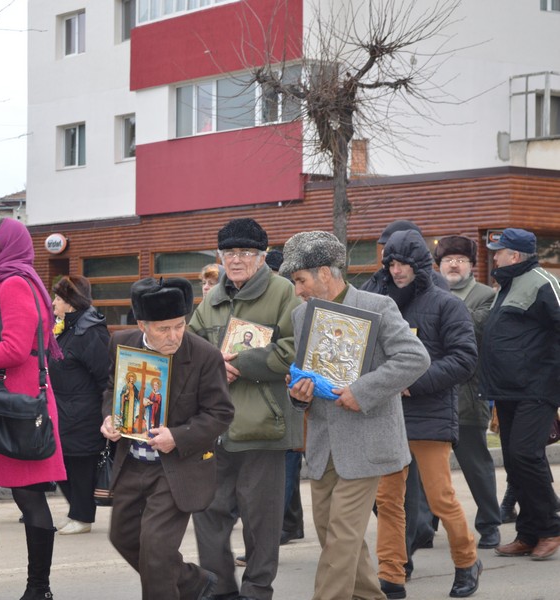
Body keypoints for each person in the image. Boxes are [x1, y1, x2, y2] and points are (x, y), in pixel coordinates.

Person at [280, 231, 430, 600]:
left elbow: (415, 358)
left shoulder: (378, 306)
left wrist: (361, 392)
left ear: (324, 273)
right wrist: (298, 393)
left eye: (300, 280)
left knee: (341, 539)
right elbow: (308, 374)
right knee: (334, 536)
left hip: (368, 443)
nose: (297, 290)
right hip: (322, 447)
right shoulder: (302, 316)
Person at [189, 218, 302, 600]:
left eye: (245, 253)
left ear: (262, 257)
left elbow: (293, 350)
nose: (236, 261)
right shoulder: (211, 299)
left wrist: (241, 363)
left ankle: (256, 592)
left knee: (261, 523)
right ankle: (220, 589)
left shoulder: (283, 292)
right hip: (214, 427)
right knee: (208, 513)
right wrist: (211, 366)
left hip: (262, 428)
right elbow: (190, 347)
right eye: (229, 253)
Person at [100, 277, 234, 600]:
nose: (174, 336)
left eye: (180, 325)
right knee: (123, 536)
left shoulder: (204, 356)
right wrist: (109, 418)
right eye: (164, 329)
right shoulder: (122, 344)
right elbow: (110, 388)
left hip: (176, 467)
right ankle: (192, 582)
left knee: (157, 551)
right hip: (133, 462)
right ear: (142, 324)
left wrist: (178, 435)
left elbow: (220, 413)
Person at [373, 229, 481, 599]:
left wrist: (412, 382)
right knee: (388, 501)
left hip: (430, 415)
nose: (396, 269)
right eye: (391, 263)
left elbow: (464, 359)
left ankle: (467, 562)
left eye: (403, 263)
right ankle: (391, 574)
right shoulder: (379, 301)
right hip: (387, 415)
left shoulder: (447, 304)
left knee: (440, 499)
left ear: (420, 264)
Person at [0, 217, 67, 600]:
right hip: (16, 405)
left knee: (28, 498)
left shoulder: (13, 284)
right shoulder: (16, 280)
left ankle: (38, 588)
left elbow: (14, 349)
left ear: (5, 245)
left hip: (15, 409)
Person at [482, 228, 560, 561]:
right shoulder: (508, 284)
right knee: (516, 460)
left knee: (526, 454)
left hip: (537, 387)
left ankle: (551, 527)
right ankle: (529, 533)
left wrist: (550, 381)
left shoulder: (543, 282)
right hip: (508, 389)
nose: (494, 256)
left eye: (498, 251)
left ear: (514, 255)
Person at [432, 235, 501, 549]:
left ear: (472, 265)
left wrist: (441, 306)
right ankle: (425, 525)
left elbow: (476, 330)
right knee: (428, 466)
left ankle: (490, 524)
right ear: (439, 264)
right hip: (432, 392)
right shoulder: (428, 294)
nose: (454, 264)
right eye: (448, 259)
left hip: (469, 393)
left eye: (460, 259)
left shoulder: (486, 295)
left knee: (476, 464)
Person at [48, 275, 110, 536]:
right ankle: (76, 511)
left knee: (81, 465)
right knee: (65, 463)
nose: (53, 303)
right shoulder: (67, 327)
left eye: (58, 299)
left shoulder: (90, 331)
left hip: (82, 413)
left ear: (71, 303)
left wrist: (104, 413)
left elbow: (103, 375)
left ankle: (83, 516)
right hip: (64, 409)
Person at [360, 220, 449, 294]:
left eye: (391, 248)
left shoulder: (435, 283)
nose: (385, 253)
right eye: (384, 247)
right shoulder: (375, 282)